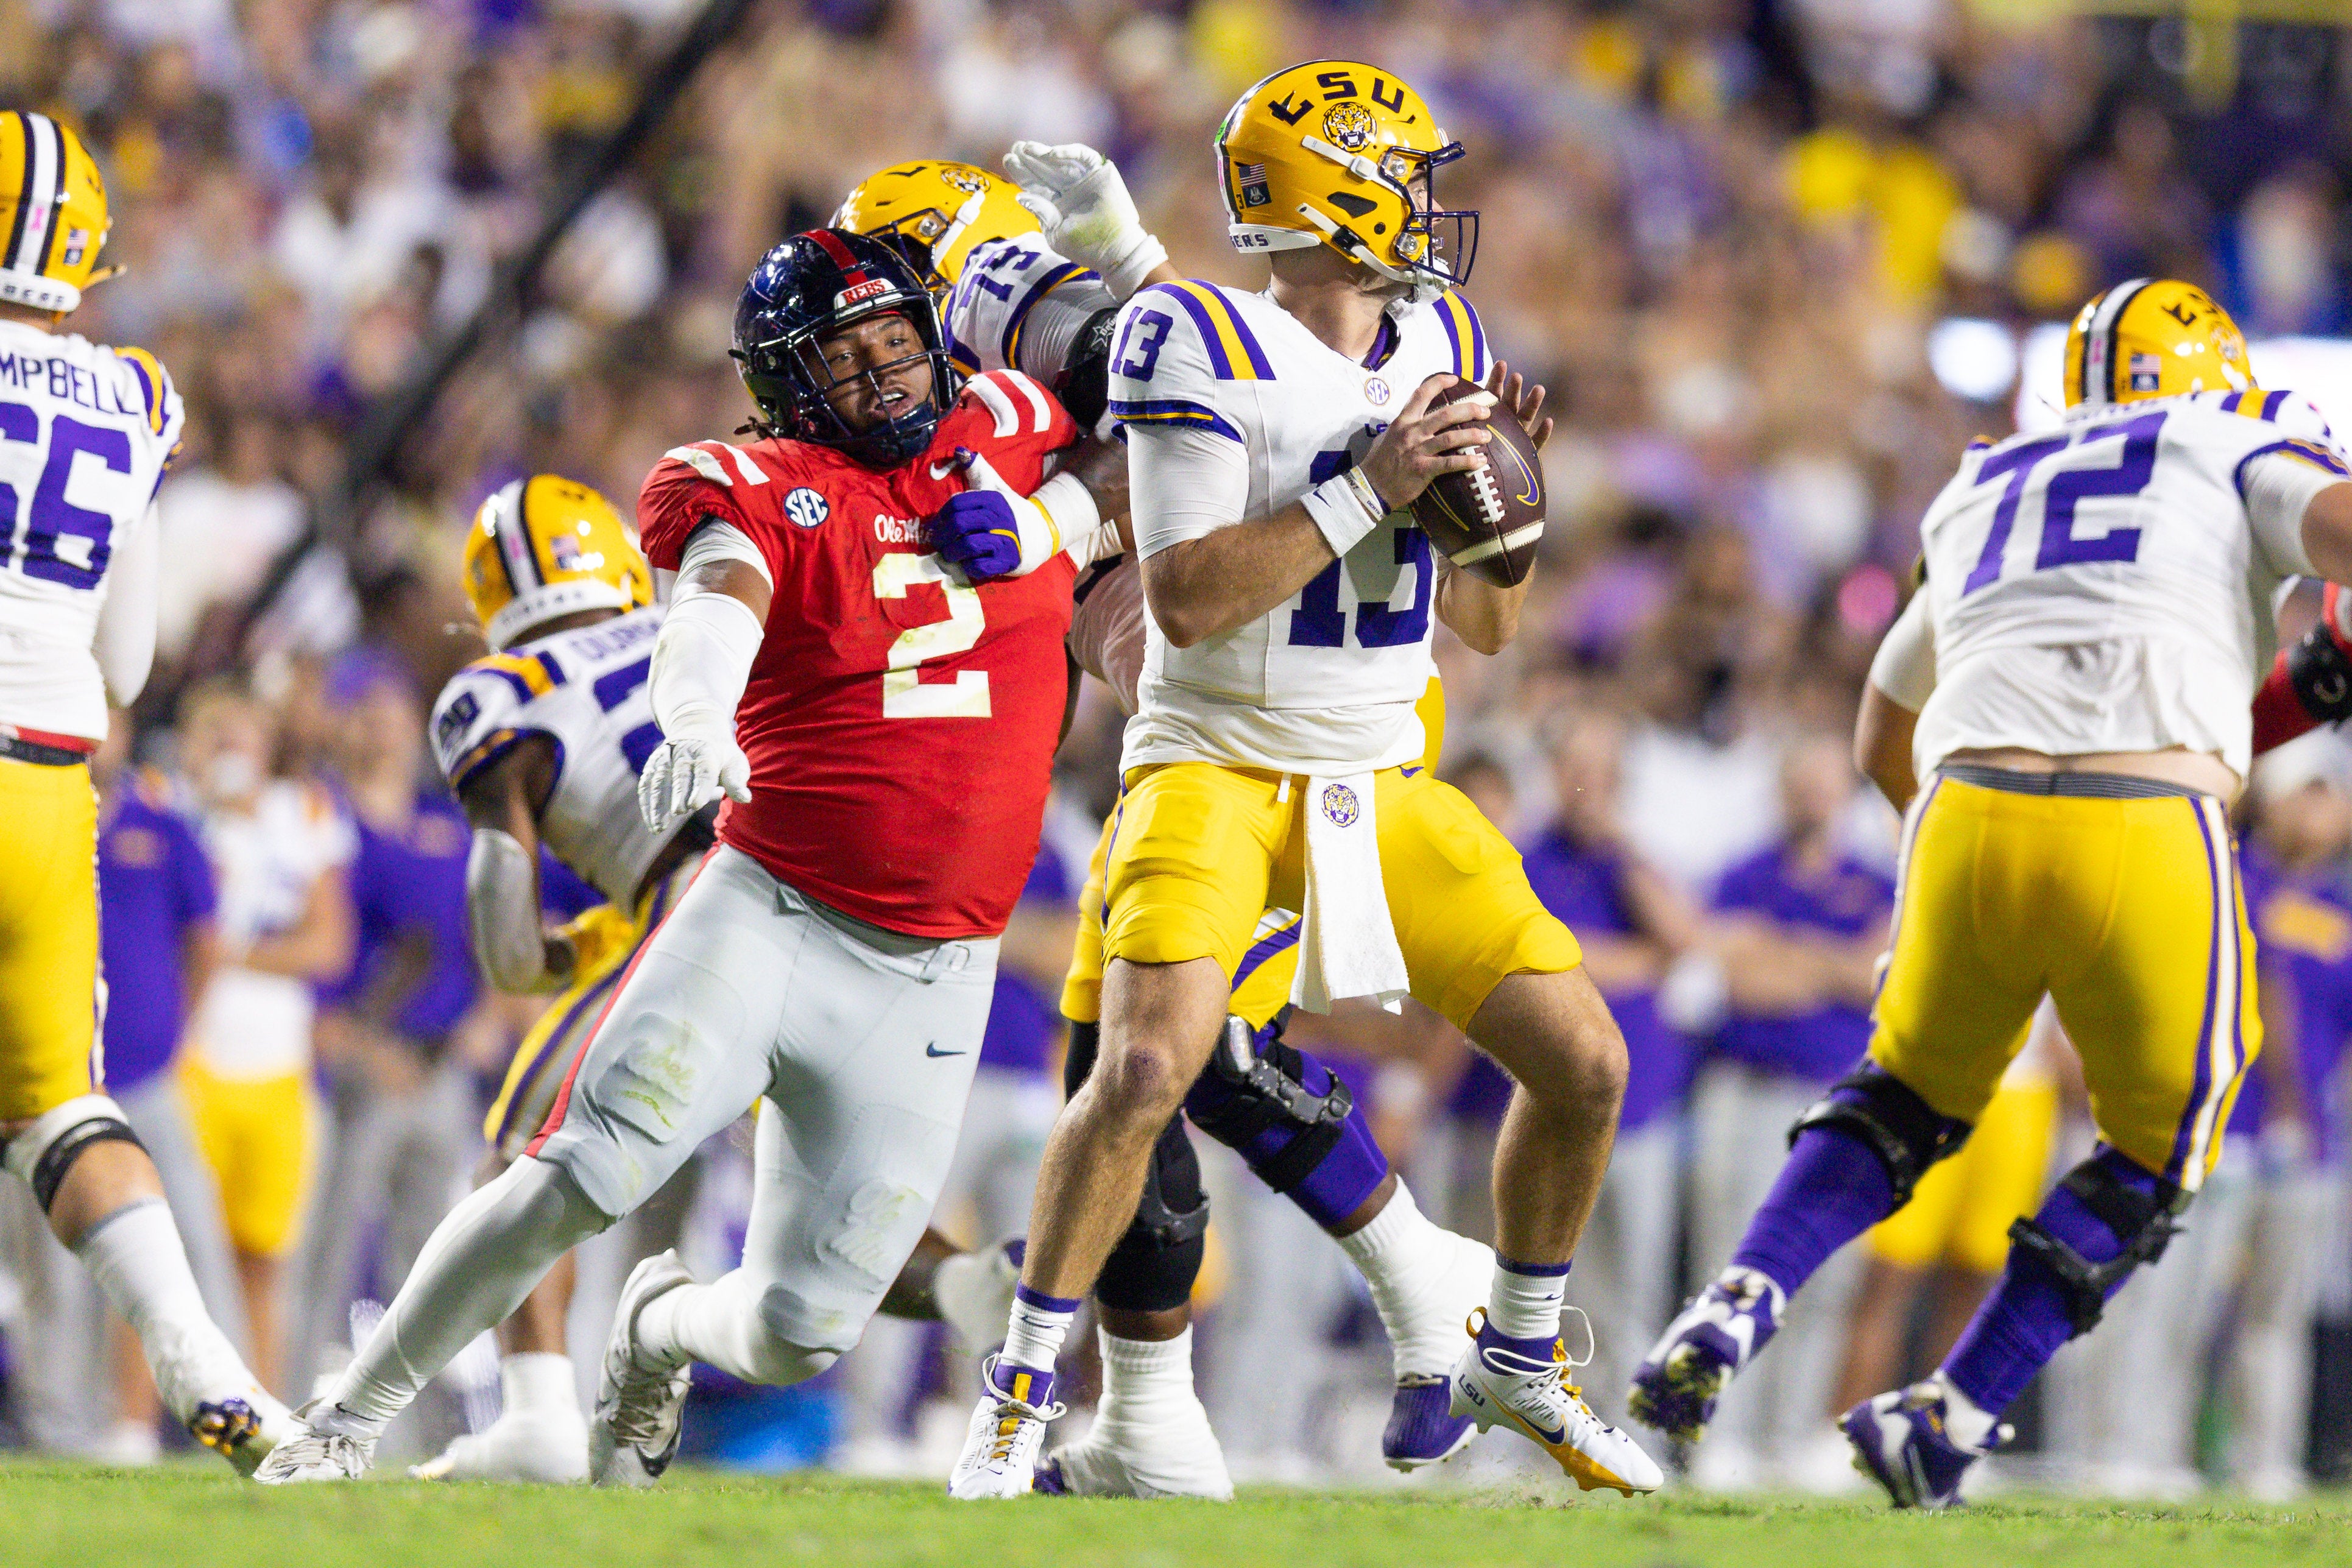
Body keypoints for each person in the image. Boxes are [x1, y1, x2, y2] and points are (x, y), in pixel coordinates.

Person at [257, 228, 1128, 1485]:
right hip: (770, 910)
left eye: (897, 341)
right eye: (846, 356)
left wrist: (1057, 513)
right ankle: (344, 1423)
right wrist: (696, 717)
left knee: (799, 1330)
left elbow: (1151, 424)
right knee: (576, 1172)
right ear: (784, 382)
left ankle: (656, 1327)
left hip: (942, 963)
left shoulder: (1004, 420)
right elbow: (716, 599)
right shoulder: (750, 479)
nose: (884, 375)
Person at [950, 62, 1660, 1499]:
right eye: (1399, 173)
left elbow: (1488, 622)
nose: (1424, 204)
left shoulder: (1439, 330)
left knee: (1585, 1059)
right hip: (1210, 762)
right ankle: (1019, 1392)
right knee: (1144, 1065)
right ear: (1331, 195)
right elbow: (1190, 600)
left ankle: (1511, 1350)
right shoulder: (1187, 334)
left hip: (1374, 777)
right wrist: (1376, 485)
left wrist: (1504, 510)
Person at [1628, 279, 2352, 1508]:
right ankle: (1948, 1412)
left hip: (1961, 816)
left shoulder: (1983, 481)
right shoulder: (2229, 435)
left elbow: (1878, 735)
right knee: (2158, 1147)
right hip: (2146, 826)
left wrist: (1964, 864)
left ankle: (1732, 1300)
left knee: (1897, 1100)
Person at [848, 150, 1506, 1489]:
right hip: (1196, 713)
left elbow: (1156, 386)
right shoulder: (927, 377)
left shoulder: (997, 300)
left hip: (1280, 724)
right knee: (1117, 1062)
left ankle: (1425, 1280)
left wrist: (1054, 515)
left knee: (1176, 1054)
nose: (862, 360)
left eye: (872, 323)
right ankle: (1149, 1419)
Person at [0, 110, 286, 1470]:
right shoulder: (136, 396)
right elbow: (130, 656)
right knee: (60, 1112)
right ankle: (201, 1360)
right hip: (55, 785)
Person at [1674, 731, 1894, 1489]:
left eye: (1823, 781)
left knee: (1828, 1276)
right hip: (1748, 1087)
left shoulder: (1875, 880)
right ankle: (1719, 1434)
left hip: (1843, 1100)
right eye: (1798, 780)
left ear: (1844, 792)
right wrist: (1829, 965)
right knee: (1731, 1267)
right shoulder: (1742, 873)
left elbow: (1879, 977)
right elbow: (1734, 978)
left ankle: (1792, 1436)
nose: (1810, 795)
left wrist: (1784, 953)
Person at [177, 679, 356, 1397]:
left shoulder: (304, 811)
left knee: (263, 1255)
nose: (228, 745)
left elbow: (328, 945)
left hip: (277, 1062)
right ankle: (131, 1424)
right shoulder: (172, 812)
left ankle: (258, 1411)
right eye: (213, 729)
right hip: (187, 1058)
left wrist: (231, 954)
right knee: (166, 1252)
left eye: (240, 729)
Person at [1522, 712, 1697, 1432]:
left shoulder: (1634, 864)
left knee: (1637, 1285)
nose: (1585, 784)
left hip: (1645, 1112)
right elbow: (1539, 959)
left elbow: (1686, 940)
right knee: (1557, 1288)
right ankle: (1554, 1436)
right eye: (1574, 766)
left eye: (1600, 769)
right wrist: (1633, 962)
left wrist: (1619, 852)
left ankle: (1633, 1434)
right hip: (1552, 1114)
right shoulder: (1524, 855)